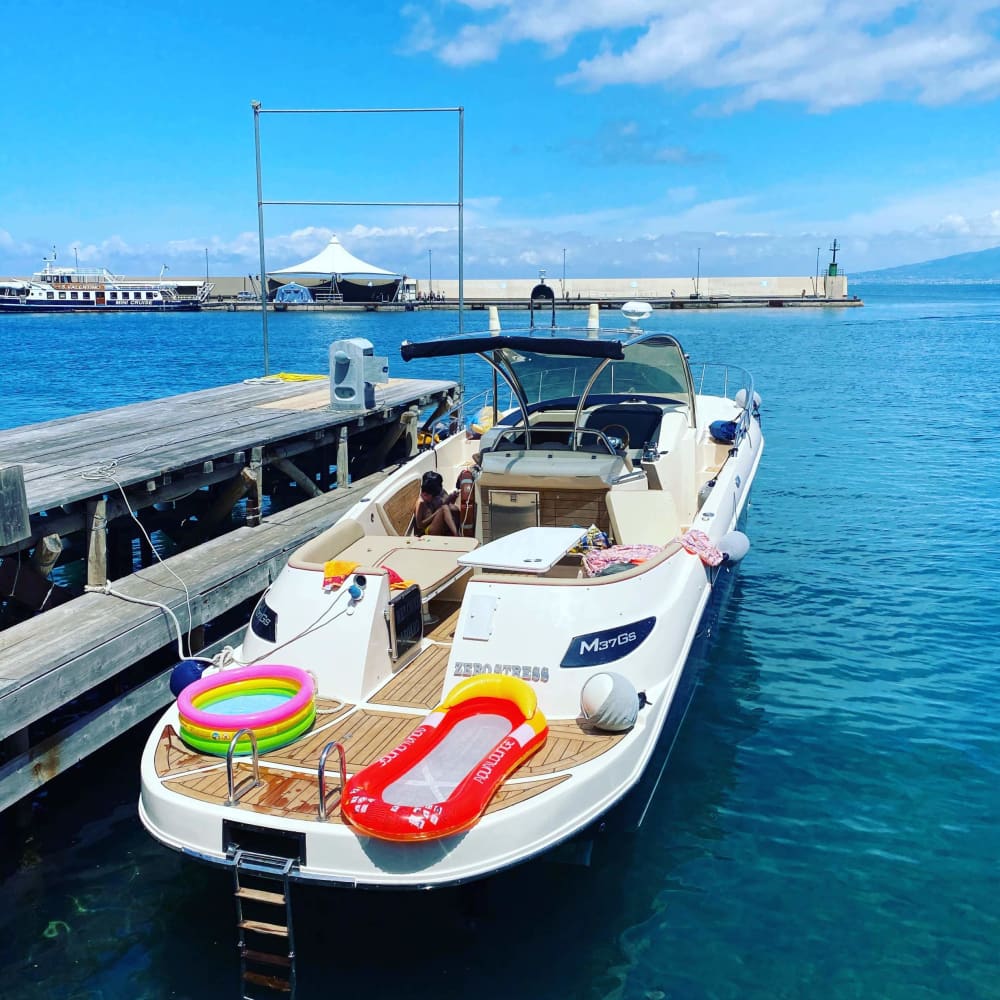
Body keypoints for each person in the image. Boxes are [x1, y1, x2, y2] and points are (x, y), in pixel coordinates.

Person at [414, 470, 460, 536]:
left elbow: (445, 510)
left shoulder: (433, 496)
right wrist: (437, 512)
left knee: (453, 508)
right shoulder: (421, 503)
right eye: (432, 496)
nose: (434, 498)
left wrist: (452, 498)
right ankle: (457, 535)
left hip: (436, 523)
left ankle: (457, 530)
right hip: (428, 530)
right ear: (425, 493)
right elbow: (419, 525)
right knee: (444, 508)